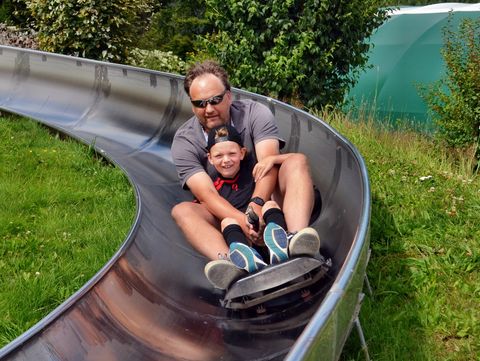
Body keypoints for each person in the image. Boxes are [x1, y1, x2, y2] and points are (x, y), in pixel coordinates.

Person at [171, 60, 321, 289]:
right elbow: (207, 196)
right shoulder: (185, 141)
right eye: (200, 103)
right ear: (192, 106)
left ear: (229, 96)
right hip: (228, 213)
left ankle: (294, 239)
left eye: (215, 100)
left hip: (266, 199)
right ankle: (234, 264)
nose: (209, 109)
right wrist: (245, 223)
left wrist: (257, 205)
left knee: (295, 163)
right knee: (182, 211)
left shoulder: (254, 113)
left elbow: (268, 164)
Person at [202, 124, 321, 289]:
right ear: (210, 158)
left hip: (270, 227)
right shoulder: (213, 188)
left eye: (232, 154)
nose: (226, 160)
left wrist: (272, 158)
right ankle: (247, 259)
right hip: (248, 239)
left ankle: (283, 243)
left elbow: (299, 159)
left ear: (242, 153)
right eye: (219, 155)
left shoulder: (255, 170)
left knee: (269, 204)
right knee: (226, 222)